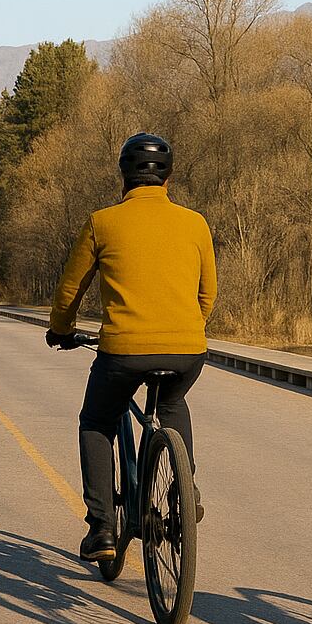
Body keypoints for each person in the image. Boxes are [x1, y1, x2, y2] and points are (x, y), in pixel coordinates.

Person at [45, 132, 218, 562]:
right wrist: (186, 328)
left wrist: (61, 329)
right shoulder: (195, 223)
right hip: (186, 350)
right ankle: (185, 487)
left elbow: (70, 290)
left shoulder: (102, 222)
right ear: (168, 178)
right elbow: (207, 295)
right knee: (173, 403)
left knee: (97, 420)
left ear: (124, 176)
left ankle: (103, 527)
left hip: (122, 353)